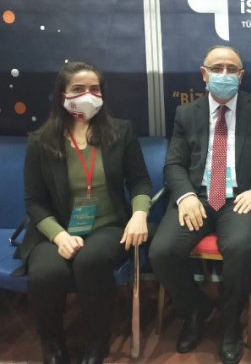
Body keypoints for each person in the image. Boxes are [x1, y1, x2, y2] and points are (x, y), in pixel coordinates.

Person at [149, 45, 251, 364]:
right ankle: (195, 309)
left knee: (240, 249)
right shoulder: (187, 113)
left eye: (231, 69)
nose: (224, 74)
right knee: (162, 252)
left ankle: (230, 324)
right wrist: (185, 196)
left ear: (241, 76)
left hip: (240, 197)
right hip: (197, 196)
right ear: (204, 74)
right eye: (217, 68)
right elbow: (174, 164)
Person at [16, 60, 152, 364]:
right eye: (78, 89)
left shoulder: (120, 131)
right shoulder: (40, 141)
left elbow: (140, 181)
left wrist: (139, 214)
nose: (87, 95)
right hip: (56, 228)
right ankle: (52, 345)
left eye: (94, 89)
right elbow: (34, 201)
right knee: (47, 273)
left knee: (91, 262)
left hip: (108, 225)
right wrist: (59, 236)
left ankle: (96, 343)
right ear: (62, 94)